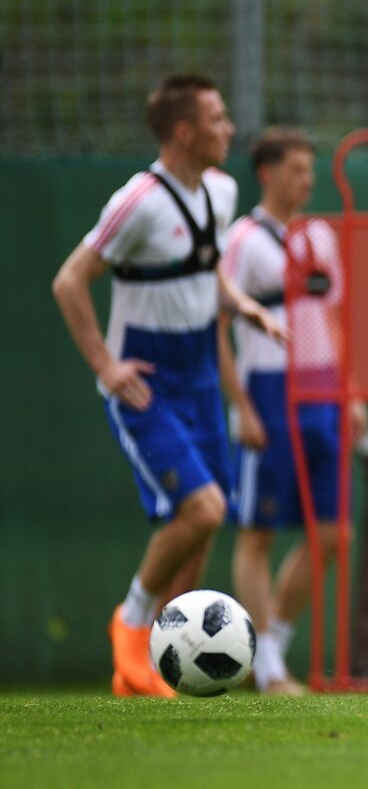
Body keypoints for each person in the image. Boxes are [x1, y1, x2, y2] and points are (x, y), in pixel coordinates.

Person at [52, 75, 285, 697]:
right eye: (217, 118)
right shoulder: (139, 202)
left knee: (205, 527)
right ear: (184, 132)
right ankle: (129, 623)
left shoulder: (222, 189)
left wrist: (242, 304)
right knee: (201, 509)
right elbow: (69, 281)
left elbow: (206, 274)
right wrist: (105, 365)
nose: (229, 128)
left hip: (201, 378)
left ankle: (159, 663)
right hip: (147, 384)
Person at [218, 127, 367, 694]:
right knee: (257, 533)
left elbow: (332, 318)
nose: (307, 180)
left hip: (323, 391)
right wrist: (243, 408)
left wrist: (350, 392)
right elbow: (219, 328)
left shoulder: (320, 237)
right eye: (296, 169)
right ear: (267, 173)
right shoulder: (243, 240)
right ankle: (265, 668)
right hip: (269, 390)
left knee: (334, 534)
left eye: (311, 169)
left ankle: (273, 643)